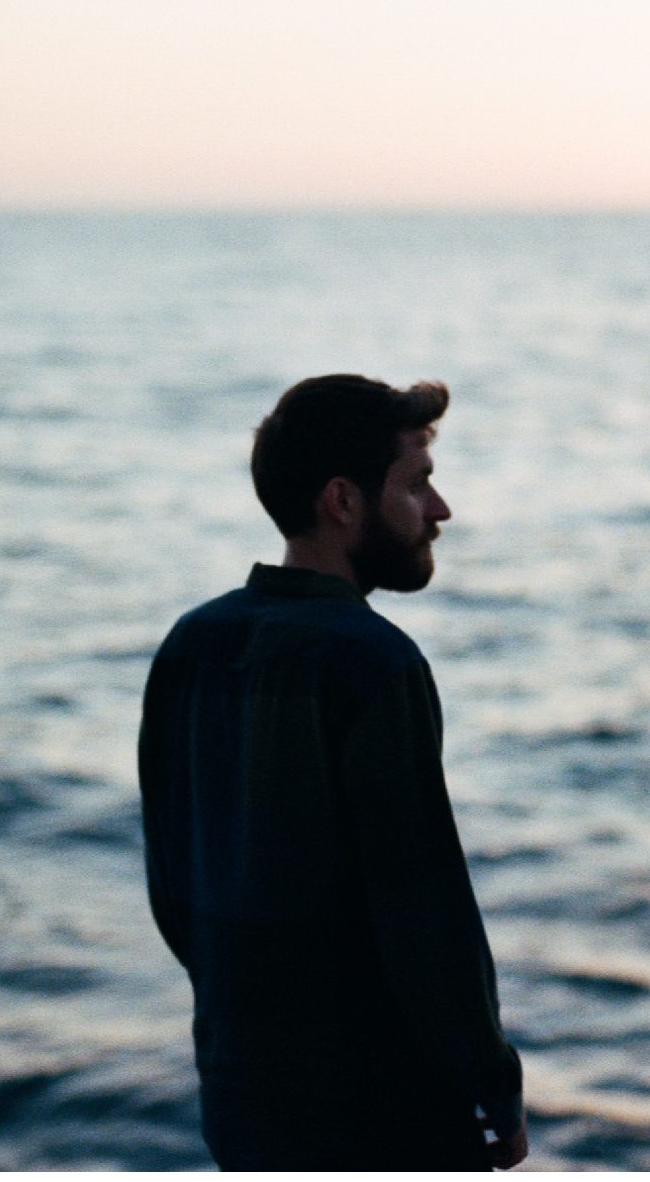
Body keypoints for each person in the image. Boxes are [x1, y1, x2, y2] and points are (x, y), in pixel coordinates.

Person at [138, 374, 526, 1171]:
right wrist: (493, 1080)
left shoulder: (190, 645)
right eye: (417, 484)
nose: (440, 509)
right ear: (343, 501)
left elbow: (173, 894)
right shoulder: (371, 660)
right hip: (383, 1117)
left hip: (244, 1102)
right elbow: (426, 917)